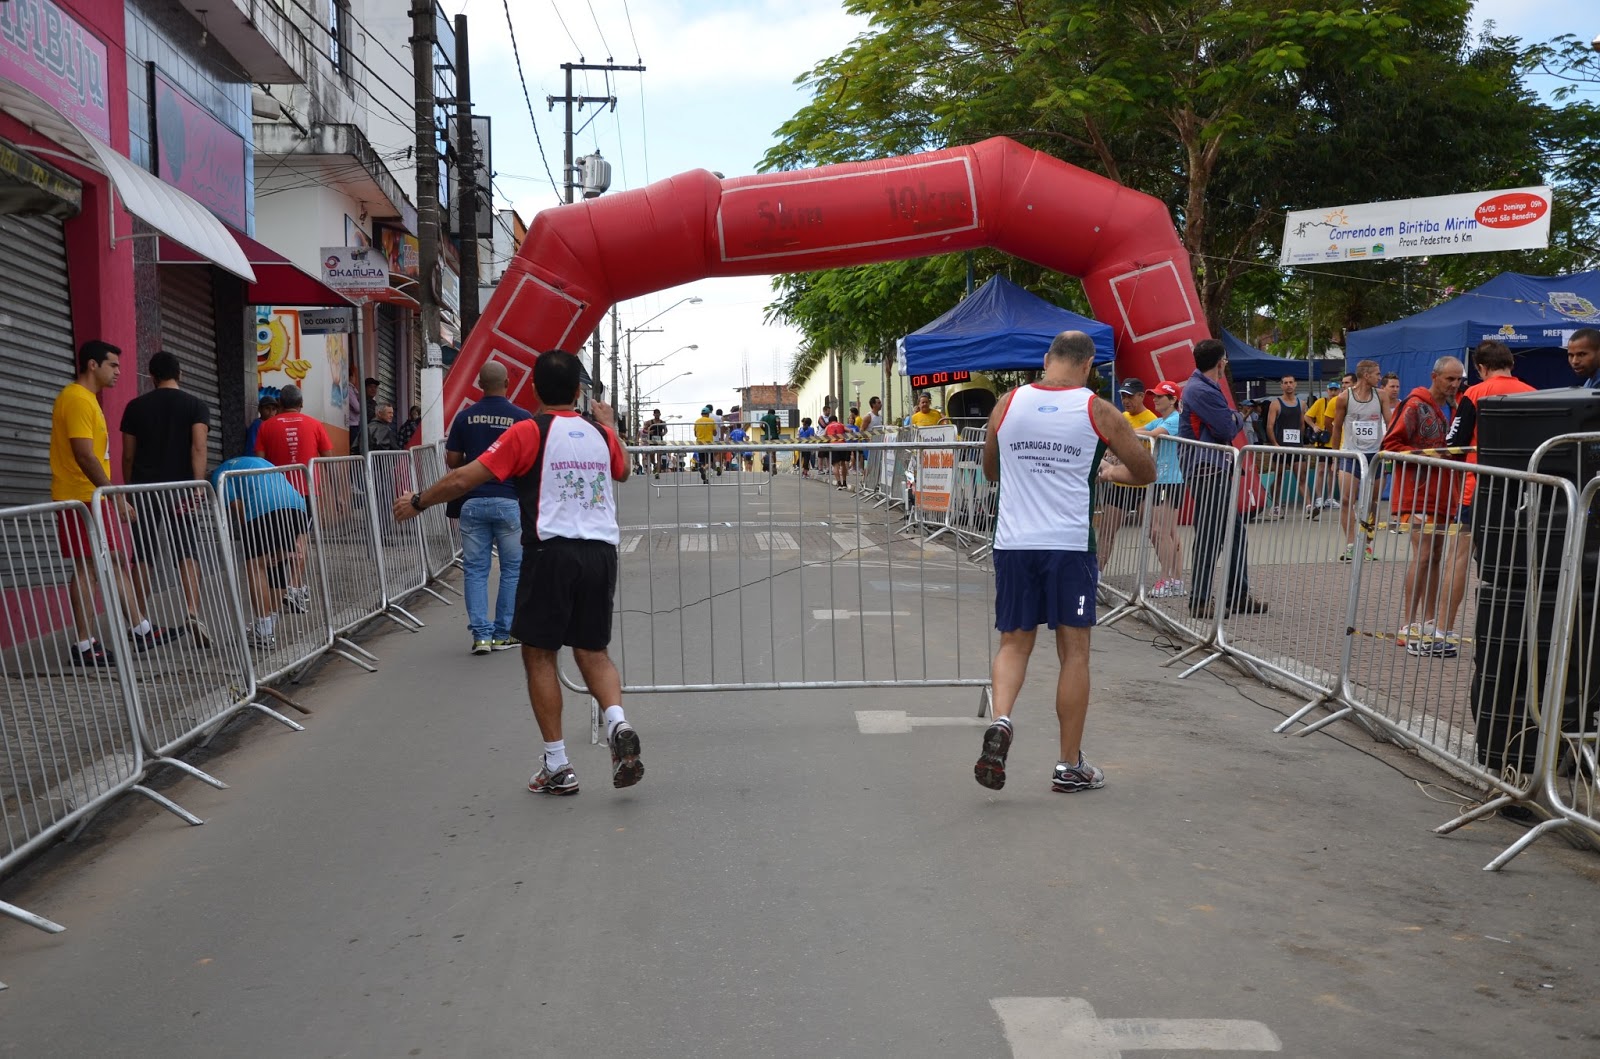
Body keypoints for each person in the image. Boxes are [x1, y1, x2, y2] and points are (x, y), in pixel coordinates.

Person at [392, 350, 641, 797]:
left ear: (534, 390)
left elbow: (464, 478)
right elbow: (622, 471)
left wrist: (417, 502)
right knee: (593, 650)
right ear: (579, 391)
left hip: (551, 552)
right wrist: (610, 425)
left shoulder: (529, 431)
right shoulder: (599, 433)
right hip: (601, 553)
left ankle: (558, 765)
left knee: (539, 654)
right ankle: (618, 723)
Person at [975, 330, 1156, 793]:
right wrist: (1108, 473)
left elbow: (990, 470)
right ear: (1088, 365)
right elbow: (1146, 470)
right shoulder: (1098, 409)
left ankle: (1001, 720)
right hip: (1069, 545)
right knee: (1074, 652)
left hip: (1014, 542)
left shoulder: (1007, 404)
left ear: (1046, 359)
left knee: (1013, 643)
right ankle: (1068, 765)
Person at [51, 341, 180, 665]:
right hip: (80, 497)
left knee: (114, 560)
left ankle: (140, 628)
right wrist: (114, 494)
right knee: (87, 567)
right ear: (92, 365)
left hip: (90, 497)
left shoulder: (87, 400)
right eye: (113, 365)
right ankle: (86, 644)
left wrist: (110, 495)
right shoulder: (77, 399)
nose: (119, 372)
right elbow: (84, 455)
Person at [1426, 341, 1535, 658]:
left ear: (1481, 368)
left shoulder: (1474, 393)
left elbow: (1454, 444)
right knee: (1518, 561)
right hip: (1524, 490)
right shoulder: (1532, 392)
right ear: (1511, 364)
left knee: (1459, 557)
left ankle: (1443, 633)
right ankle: (1520, 636)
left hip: (1479, 489)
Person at [120, 349, 213, 647]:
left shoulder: (135, 407)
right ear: (180, 374)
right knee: (187, 549)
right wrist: (198, 485)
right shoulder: (196, 405)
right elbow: (198, 447)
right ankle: (192, 611)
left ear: (152, 377)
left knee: (143, 554)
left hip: (143, 489)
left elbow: (128, 455)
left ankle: (139, 620)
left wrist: (128, 490)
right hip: (181, 489)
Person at [446, 361, 534, 655]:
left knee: (475, 570)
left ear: (479, 384)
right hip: (509, 502)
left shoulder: (464, 417)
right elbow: (529, 460)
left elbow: (452, 460)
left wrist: (475, 463)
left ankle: (481, 637)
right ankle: (503, 634)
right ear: (507, 383)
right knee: (512, 569)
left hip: (472, 502)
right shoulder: (522, 418)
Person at [1179, 338, 1267, 618]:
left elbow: (1224, 423)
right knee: (1210, 535)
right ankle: (1200, 599)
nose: (1226, 363)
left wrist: (1231, 417)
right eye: (1225, 360)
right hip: (1208, 469)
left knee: (1234, 533)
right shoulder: (1202, 390)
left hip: (1212, 467)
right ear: (1220, 363)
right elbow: (1226, 428)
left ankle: (1237, 595)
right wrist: (1237, 417)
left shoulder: (1203, 387)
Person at [1381, 356, 1465, 648]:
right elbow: (1390, 445)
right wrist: (1429, 456)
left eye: (1458, 379)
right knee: (1424, 554)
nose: (1454, 384)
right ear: (1434, 376)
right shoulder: (1414, 405)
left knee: (1436, 555)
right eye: (1449, 379)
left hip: (1444, 492)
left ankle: (1429, 620)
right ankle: (1408, 622)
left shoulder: (1457, 406)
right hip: (1417, 492)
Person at [212, 455, 310, 649]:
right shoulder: (254, 462)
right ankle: (269, 624)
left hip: (263, 507)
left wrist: (251, 536)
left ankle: (263, 631)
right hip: (296, 504)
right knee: (277, 565)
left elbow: (238, 507)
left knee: (256, 567)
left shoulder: (218, 475)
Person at [254, 383, 329, 615]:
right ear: (301, 404)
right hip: (304, 493)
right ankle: (293, 587)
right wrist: (329, 488)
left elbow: (259, 460)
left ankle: (281, 586)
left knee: (279, 539)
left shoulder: (266, 426)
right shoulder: (315, 425)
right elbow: (327, 457)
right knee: (300, 540)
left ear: (279, 404)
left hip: (275, 493)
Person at [1328, 359, 1395, 562]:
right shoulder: (1344, 398)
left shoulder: (1381, 396)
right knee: (1347, 499)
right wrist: (1335, 457)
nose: (1380, 377)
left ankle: (1366, 544)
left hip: (1375, 456)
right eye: (1377, 374)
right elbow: (1336, 428)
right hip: (1351, 455)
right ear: (1366, 375)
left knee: (1372, 501)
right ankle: (1351, 545)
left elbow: (1390, 423)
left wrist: (1390, 449)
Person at [1094, 377, 1154, 573]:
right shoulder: (1121, 417)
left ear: (1141, 396)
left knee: (1156, 533)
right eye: (1123, 397)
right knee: (1106, 531)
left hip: (1144, 486)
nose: (1126, 401)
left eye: (1130, 396)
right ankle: (1097, 573)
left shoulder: (1151, 419)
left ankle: (1171, 578)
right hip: (1121, 484)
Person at [1140, 381, 1185, 597]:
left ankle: (1167, 579)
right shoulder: (1160, 420)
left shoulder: (1175, 419)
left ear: (1173, 399)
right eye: (1154, 395)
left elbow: (1153, 434)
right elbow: (1138, 431)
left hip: (1170, 481)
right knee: (1168, 532)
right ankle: (1175, 580)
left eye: (1160, 396)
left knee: (1160, 531)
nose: (1155, 400)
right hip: (1163, 480)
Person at [1264, 374, 1310, 519]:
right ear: (1281, 385)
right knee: (1279, 477)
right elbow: (1269, 426)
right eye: (1286, 383)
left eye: (1291, 382)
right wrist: (1275, 444)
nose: (1289, 385)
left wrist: (1300, 442)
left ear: (1295, 384)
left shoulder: (1302, 404)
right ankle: (1275, 506)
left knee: (1301, 477)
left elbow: (1302, 425)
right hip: (1281, 447)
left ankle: (1309, 506)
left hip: (1296, 447)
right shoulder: (1275, 404)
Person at [244, 388, 279, 458]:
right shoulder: (256, 425)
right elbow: (252, 449)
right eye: (267, 408)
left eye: (273, 409)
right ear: (260, 409)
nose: (271, 412)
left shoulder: (275, 425)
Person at [824, 413, 851, 488]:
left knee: (835, 465)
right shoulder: (841, 425)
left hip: (833, 446)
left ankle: (839, 483)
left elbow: (824, 436)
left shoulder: (828, 426)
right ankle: (844, 482)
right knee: (843, 464)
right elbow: (850, 430)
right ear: (837, 420)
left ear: (830, 421)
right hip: (842, 445)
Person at [693, 404, 718, 483]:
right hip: (708, 443)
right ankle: (703, 469)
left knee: (702, 461)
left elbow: (695, 434)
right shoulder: (711, 421)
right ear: (708, 414)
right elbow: (715, 433)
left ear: (701, 414)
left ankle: (705, 479)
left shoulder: (697, 421)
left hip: (699, 443)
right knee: (710, 461)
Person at [644, 409, 670, 478]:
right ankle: (654, 464)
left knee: (659, 456)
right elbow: (644, 430)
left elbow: (666, 430)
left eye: (658, 413)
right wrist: (649, 432)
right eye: (655, 413)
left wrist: (663, 433)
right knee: (652, 456)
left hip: (659, 441)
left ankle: (657, 473)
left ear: (660, 414)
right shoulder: (650, 422)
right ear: (653, 414)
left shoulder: (662, 422)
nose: (657, 415)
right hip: (652, 441)